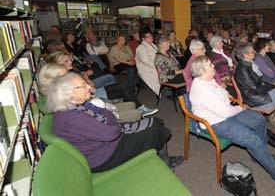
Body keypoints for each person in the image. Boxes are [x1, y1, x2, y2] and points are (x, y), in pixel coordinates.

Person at [189, 56, 275, 192]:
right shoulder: (202, 91)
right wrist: (241, 107)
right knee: (254, 141)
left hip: (225, 114)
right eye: (210, 65)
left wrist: (227, 96)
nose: (213, 67)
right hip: (217, 123)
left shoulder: (207, 80)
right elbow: (226, 112)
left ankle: (258, 155)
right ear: (202, 71)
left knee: (259, 120)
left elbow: (223, 92)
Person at [44, 73, 183, 172]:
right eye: (82, 86)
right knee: (154, 129)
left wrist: (105, 115)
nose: (88, 87)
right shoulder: (72, 118)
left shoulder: (74, 107)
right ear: (68, 94)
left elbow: (107, 121)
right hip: (104, 157)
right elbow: (112, 130)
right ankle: (167, 162)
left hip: (103, 146)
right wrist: (109, 118)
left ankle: (161, 156)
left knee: (154, 122)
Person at [38, 63, 142, 122]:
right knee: (124, 91)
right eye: (65, 76)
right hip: (103, 118)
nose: (69, 77)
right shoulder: (67, 105)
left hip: (99, 108)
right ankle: (138, 107)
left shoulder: (64, 97)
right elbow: (97, 119)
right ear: (56, 81)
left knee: (128, 98)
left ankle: (135, 105)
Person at [136, 32, 161, 98]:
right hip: (145, 67)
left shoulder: (153, 45)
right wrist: (157, 66)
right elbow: (145, 61)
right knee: (157, 73)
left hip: (155, 64)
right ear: (143, 39)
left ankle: (168, 87)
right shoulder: (141, 47)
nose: (151, 37)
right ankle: (159, 90)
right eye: (148, 36)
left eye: (151, 35)